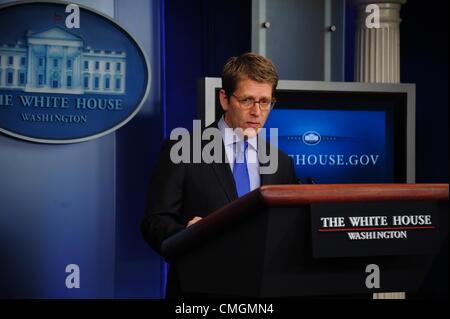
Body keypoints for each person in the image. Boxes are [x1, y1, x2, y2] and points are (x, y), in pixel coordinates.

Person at [141, 52, 298, 298]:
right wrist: (188, 235)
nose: (257, 112)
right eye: (247, 100)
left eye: (265, 102)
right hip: (201, 291)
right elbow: (154, 222)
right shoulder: (181, 149)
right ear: (224, 99)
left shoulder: (281, 162)